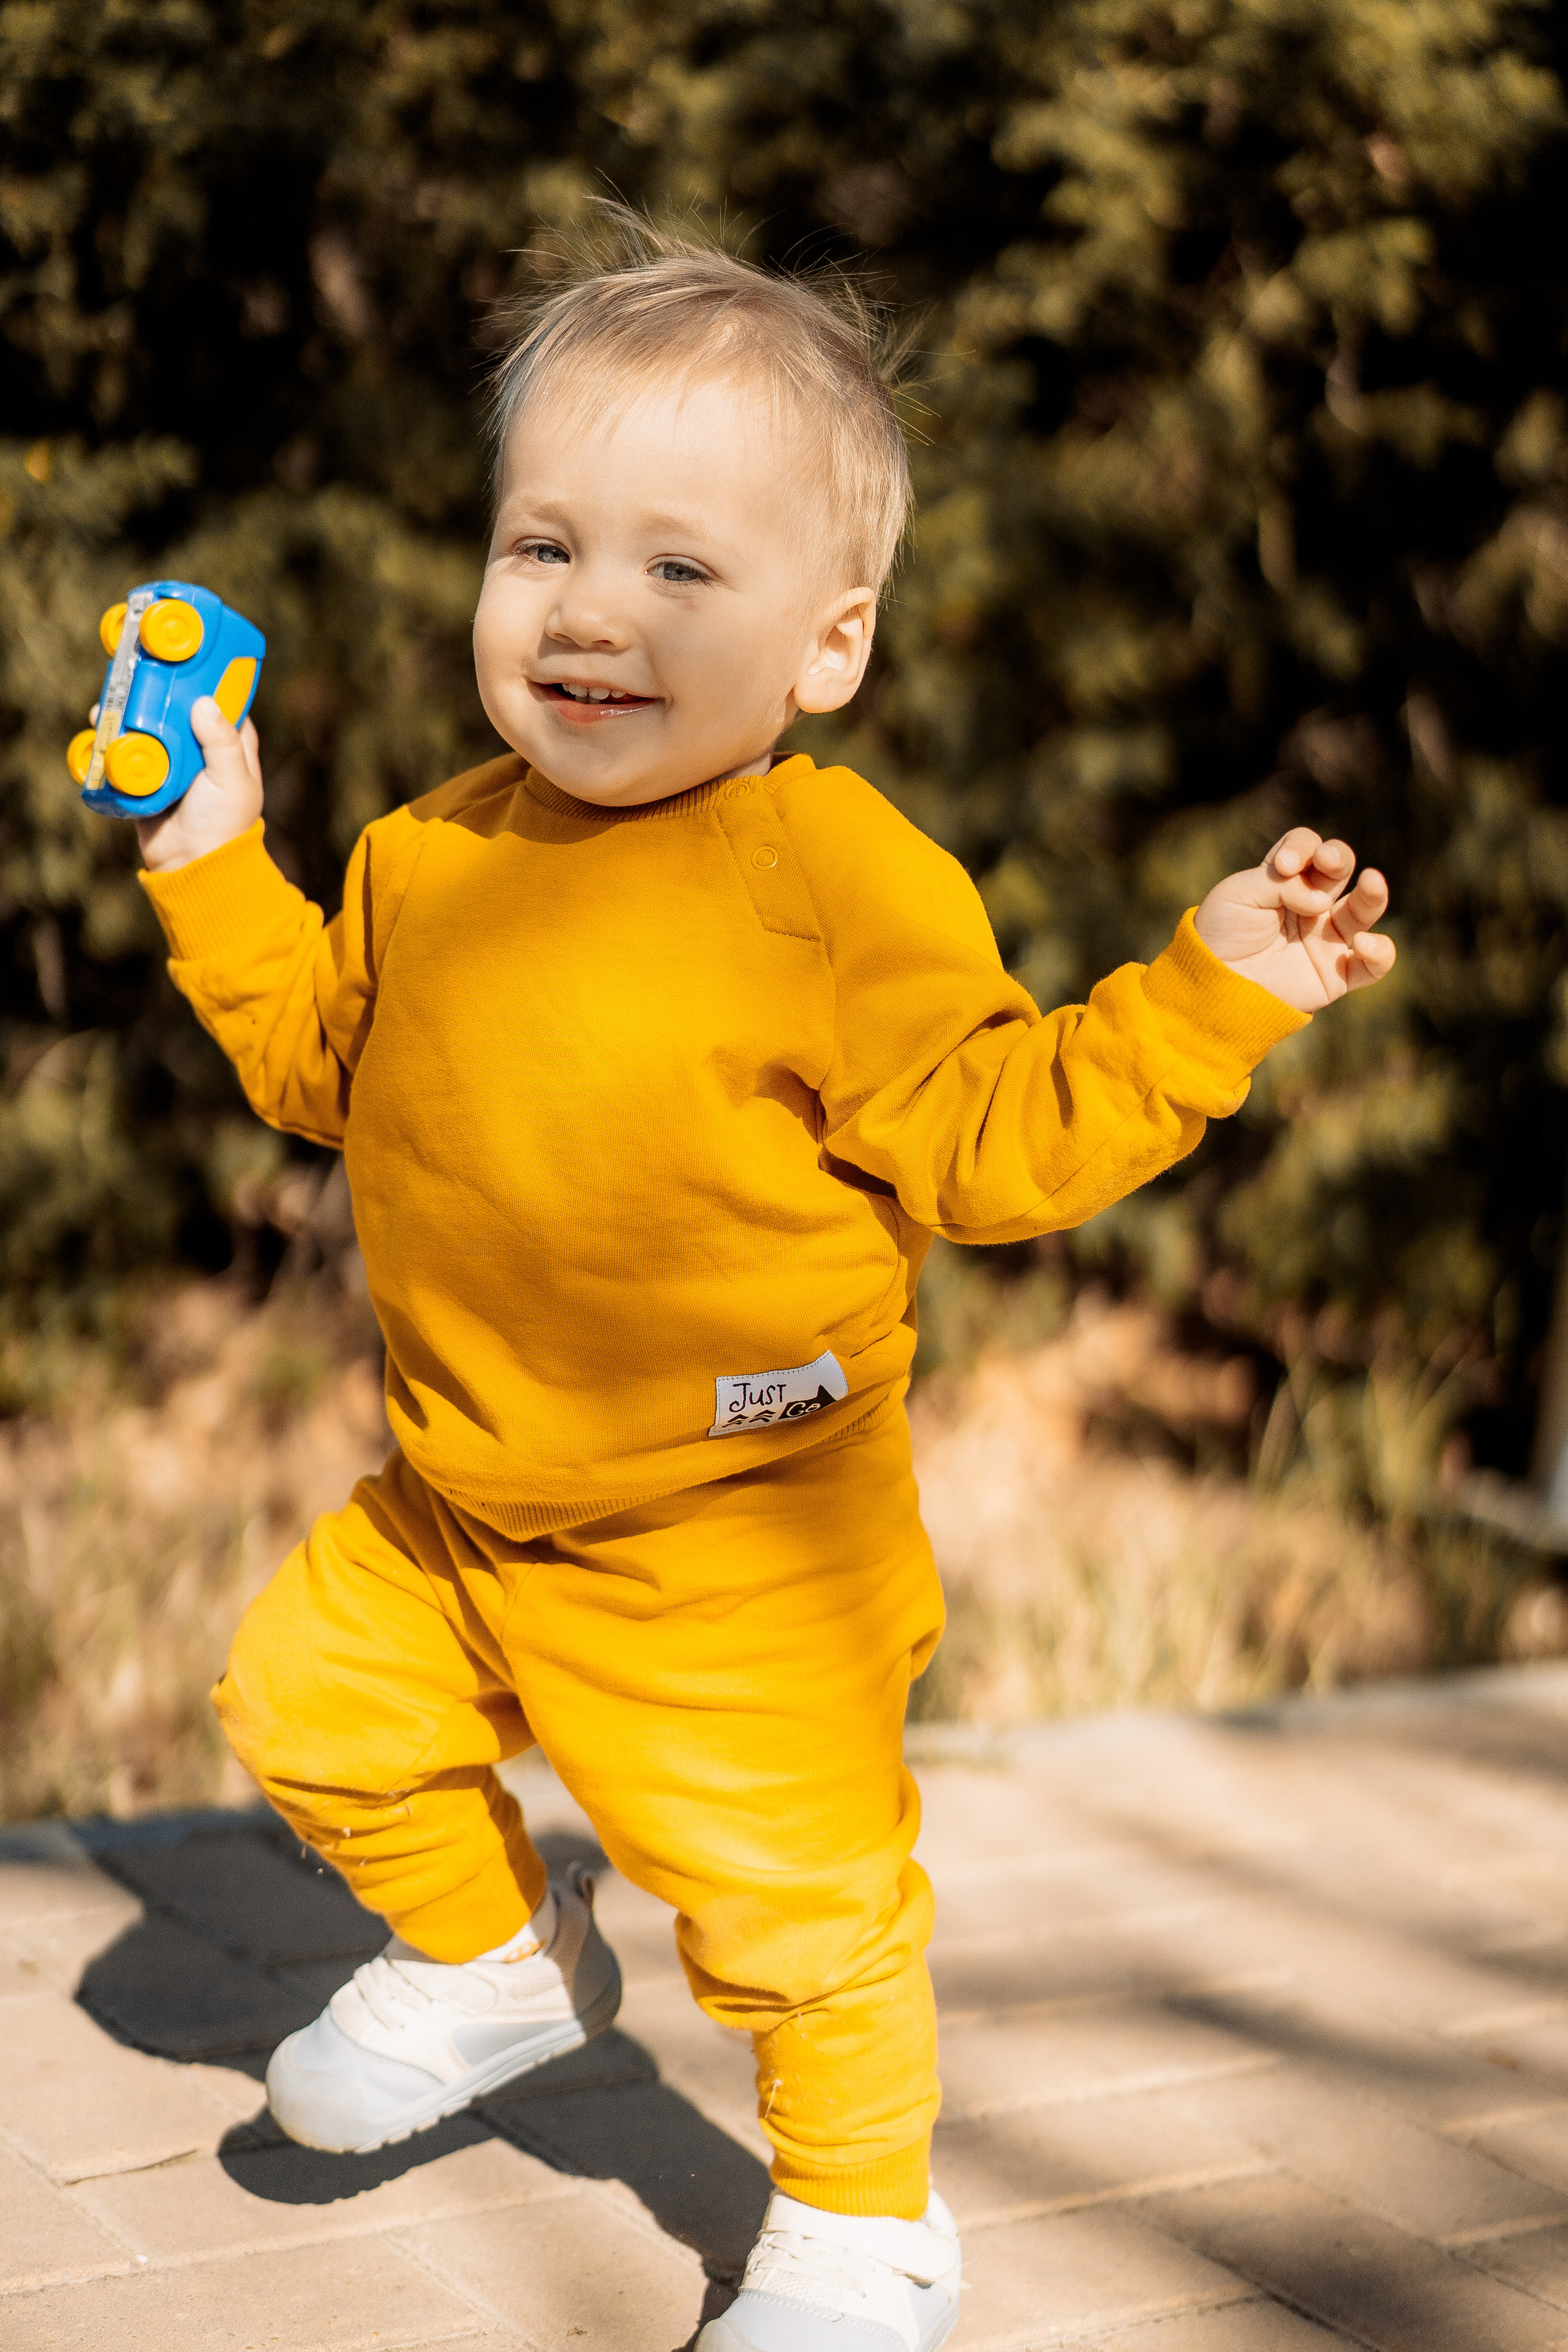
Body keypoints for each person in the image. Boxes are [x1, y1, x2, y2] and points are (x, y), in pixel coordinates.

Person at [129, 223, 1395, 2352]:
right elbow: (320, 1069)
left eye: (678, 573)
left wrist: (1203, 999)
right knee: (306, 1707)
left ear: (828, 646)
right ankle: (494, 1965)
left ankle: (861, 2231)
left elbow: (1001, 1137)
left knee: (798, 1917)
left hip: (738, 1537)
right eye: (544, 546)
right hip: (462, 1502)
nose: (588, 613)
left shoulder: (832, 878)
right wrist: (208, 860)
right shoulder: (432, 856)